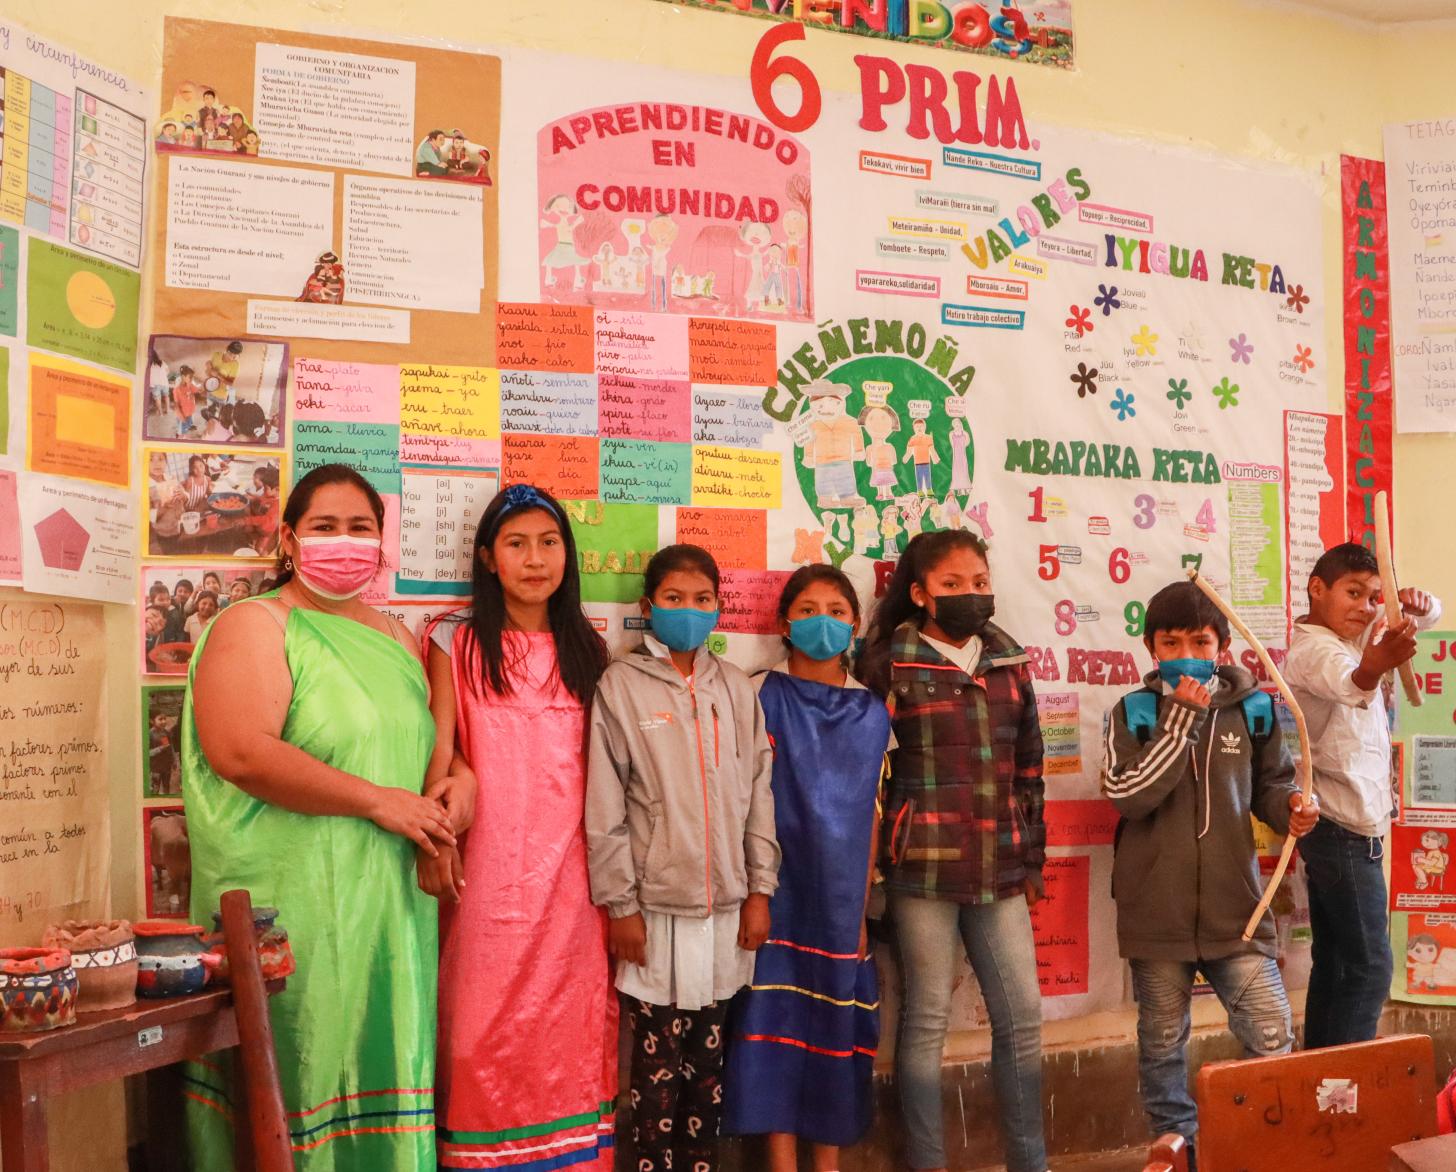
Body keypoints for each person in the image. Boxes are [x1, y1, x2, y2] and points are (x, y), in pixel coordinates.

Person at [180, 463, 460, 1169]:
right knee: (299, 1073)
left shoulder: (400, 640)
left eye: (360, 528)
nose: (345, 541)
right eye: (325, 527)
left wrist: (455, 792)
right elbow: (240, 751)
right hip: (292, 910)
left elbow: (419, 755)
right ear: (289, 539)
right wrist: (379, 801)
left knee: (380, 1061)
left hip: (389, 910)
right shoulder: (255, 624)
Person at [423, 484, 617, 1170]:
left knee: (568, 1030)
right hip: (486, 877)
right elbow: (441, 752)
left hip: (573, 885)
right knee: (475, 1033)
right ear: (487, 557)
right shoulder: (457, 641)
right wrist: (454, 789)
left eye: (549, 542)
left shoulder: (590, 649)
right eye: (516, 544)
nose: (535, 559)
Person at [1102, 580, 1318, 1168]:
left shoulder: (1255, 708)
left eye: (1200, 641)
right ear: (1152, 649)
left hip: (1238, 909)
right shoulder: (1134, 711)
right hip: (1157, 912)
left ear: (1224, 648)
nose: (1186, 653)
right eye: (1171, 642)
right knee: (1163, 1044)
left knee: (1272, 1034)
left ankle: (1259, 1147)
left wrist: (1291, 808)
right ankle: (1182, 1152)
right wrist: (1181, 721)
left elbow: (1272, 786)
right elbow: (1127, 796)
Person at [857, 529, 1047, 1172]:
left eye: (979, 582)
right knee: (927, 1019)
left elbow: (1030, 768)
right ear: (919, 594)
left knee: (1021, 1021)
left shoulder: (1009, 660)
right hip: (921, 869)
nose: (971, 595)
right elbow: (867, 777)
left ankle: (1031, 1162)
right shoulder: (886, 663)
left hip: (1001, 865)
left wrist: (1034, 857)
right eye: (953, 585)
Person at [586, 544, 779, 1172]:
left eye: (702, 600)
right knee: (654, 1078)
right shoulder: (621, 685)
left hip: (726, 916)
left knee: (709, 1075)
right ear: (648, 607)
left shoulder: (736, 690)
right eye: (674, 599)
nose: (689, 611)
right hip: (654, 915)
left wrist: (759, 891)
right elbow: (605, 808)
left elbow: (758, 796)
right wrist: (620, 906)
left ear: (719, 607)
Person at [723, 566, 892, 1171]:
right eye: (809, 608)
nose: (824, 620)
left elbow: (872, 812)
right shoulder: (757, 692)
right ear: (785, 622)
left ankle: (828, 1164)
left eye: (838, 610)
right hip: (773, 893)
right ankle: (781, 1162)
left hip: (843, 901)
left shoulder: (874, 713)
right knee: (773, 1025)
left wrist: (864, 904)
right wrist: (754, 891)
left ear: (855, 624)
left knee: (835, 1029)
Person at [1286, 542, 1443, 1048]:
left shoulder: (1353, 640)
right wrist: (1376, 664)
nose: (1367, 606)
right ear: (1318, 589)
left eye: (1375, 597)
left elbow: (1425, 618)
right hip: (1342, 833)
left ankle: (1320, 1077)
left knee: (1337, 964)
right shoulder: (1315, 649)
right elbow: (1352, 682)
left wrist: (1417, 606)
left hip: (1352, 832)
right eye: (1354, 593)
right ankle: (1342, 1091)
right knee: (1372, 967)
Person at [902, 418, 940, 496]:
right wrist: (905, 458)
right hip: (917, 463)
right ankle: (919, 490)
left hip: (926, 462)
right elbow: (908, 451)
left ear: (925, 427)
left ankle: (929, 489)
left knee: (927, 476)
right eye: (917, 427)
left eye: (921, 426)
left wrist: (935, 458)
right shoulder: (913, 439)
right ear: (914, 429)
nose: (919, 428)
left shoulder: (928, 438)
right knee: (919, 477)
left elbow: (932, 450)